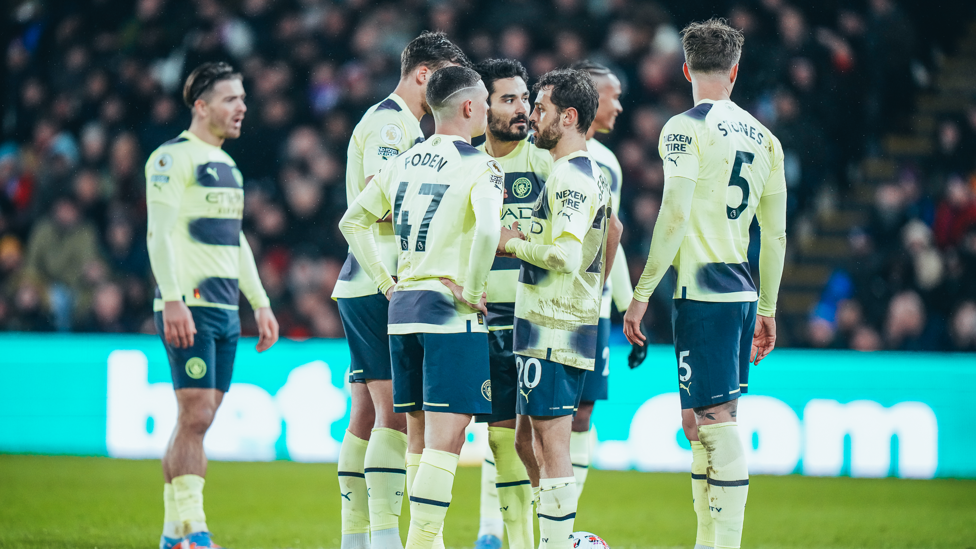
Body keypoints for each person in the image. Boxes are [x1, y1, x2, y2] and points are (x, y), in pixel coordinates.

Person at [622, 18, 787, 549]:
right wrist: (769, 307)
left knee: (715, 422)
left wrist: (642, 292)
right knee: (698, 423)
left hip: (705, 293)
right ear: (735, 71)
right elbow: (776, 235)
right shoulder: (767, 140)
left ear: (687, 68)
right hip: (738, 289)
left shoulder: (684, 127)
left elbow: (673, 214)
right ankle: (706, 540)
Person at [338, 65, 503, 549]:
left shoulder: (405, 161)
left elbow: (353, 222)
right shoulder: (479, 165)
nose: (490, 110)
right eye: (486, 102)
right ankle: (423, 542)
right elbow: (491, 231)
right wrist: (473, 290)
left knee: (416, 436)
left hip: (402, 310)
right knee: (447, 439)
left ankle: (417, 541)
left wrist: (387, 283)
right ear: (470, 107)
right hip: (449, 312)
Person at [145, 62, 280, 549]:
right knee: (197, 413)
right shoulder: (171, 158)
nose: (242, 107)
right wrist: (173, 299)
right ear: (201, 107)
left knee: (197, 418)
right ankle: (197, 534)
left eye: (243, 98)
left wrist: (260, 302)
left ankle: (170, 534)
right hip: (190, 305)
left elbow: (234, 241)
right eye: (230, 99)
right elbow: (158, 234)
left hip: (224, 310)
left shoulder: (230, 168)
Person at [498, 68, 622, 549]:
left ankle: (558, 540)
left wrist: (514, 243)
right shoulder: (576, 170)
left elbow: (567, 256)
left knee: (551, 443)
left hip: (556, 325)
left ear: (569, 117)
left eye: (543, 108)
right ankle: (556, 531)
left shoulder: (573, 177)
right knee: (525, 442)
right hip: (542, 324)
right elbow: (611, 236)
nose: (532, 116)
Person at [471, 58, 550, 549]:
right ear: (481, 106)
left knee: (540, 440)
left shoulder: (546, 162)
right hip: (478, 319)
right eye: (509, 99)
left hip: (536, 320)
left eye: (526, 98)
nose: (523, 109)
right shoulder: (464, 162)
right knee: (499, 439)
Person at [566, 60, 646, 499]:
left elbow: (608, 237)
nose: (618, 105)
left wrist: (625, 309)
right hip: (546, 304)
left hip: (593, 311)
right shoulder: (546, 155)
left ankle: (563, 522)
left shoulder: (608, 163)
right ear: (590, 98)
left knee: (582, 413)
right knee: (519, 418)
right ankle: (490, 528)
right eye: (612, 96)